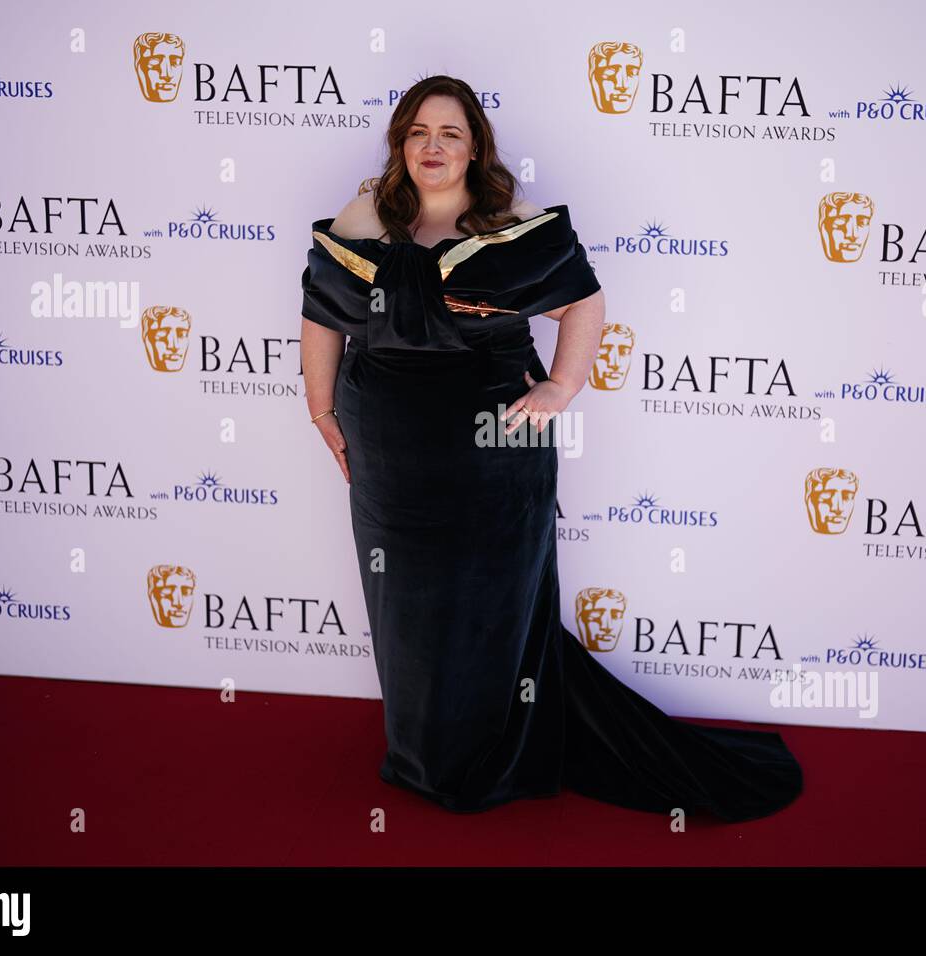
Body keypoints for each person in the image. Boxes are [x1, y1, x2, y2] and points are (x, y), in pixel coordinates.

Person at [299, 75, 803, 822]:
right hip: (390, 453)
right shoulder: (367, 212)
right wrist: (321, 409)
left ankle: (496, 753)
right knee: (406, 610)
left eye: (450, 135)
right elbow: (320, 315)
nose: (432, 147)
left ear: (475, 149)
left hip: (493, 452)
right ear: (400, 143)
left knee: (490, 606)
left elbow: (584, 299)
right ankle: (423, 752)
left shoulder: (507, 218)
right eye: (418, 133)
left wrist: (562, 387)